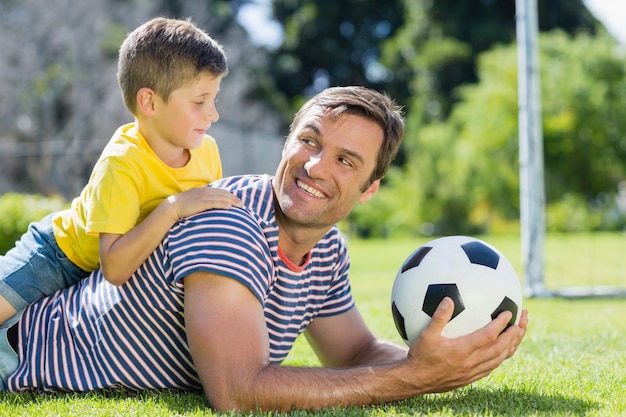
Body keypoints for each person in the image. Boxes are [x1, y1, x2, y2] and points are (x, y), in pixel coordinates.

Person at [0, 86, 528, 412]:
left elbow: (356, 356)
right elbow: (238, 393)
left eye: (346, 161)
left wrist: (446, 357)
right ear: (287, 142)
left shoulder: (327, 250)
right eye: (310, 141)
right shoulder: (225, 223)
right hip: (15, 360)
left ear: (370, 189)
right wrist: (413, 378)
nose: (317, 167)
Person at [0, 18, 241, 325]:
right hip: (57, 259)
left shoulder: (207, 152)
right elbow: (114, 267)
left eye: (214, 98)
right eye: (199, 101)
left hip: (106, 275)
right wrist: (173, 208)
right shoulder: (122, 162)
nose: (214, 114)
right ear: (149, 102)